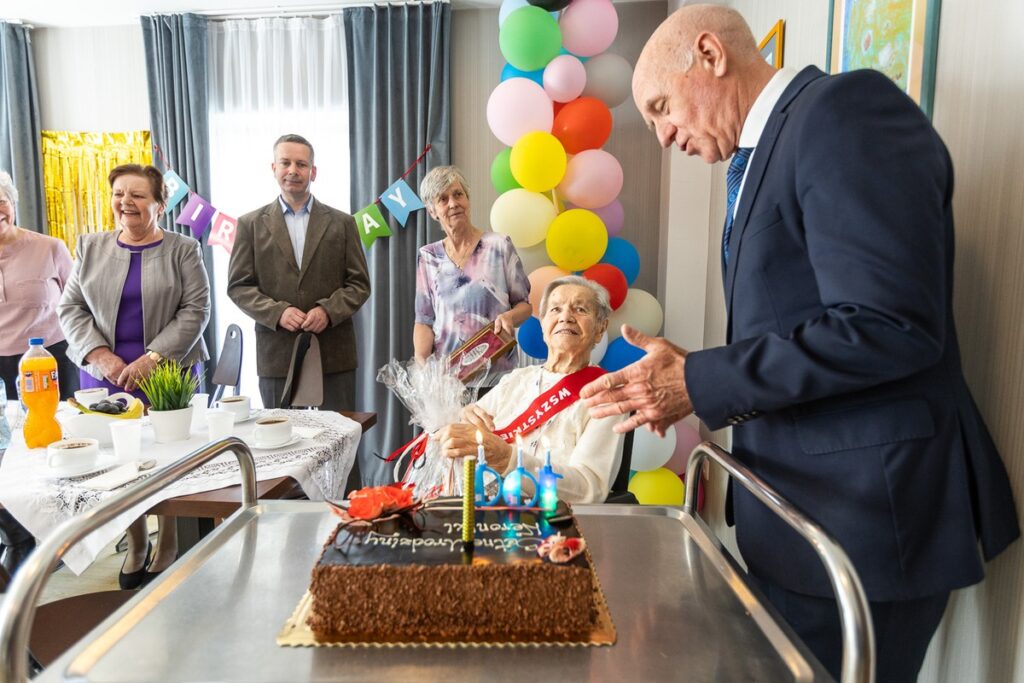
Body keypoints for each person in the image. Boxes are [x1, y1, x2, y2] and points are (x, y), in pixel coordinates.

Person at [581, 6, 1020, 681]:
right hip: (807, 520)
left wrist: (704, 380)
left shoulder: (843, 113)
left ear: (709, 54)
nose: (665, 135)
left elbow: (888, 322)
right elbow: (797, 320)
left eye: (663, 107)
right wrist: (692, 375)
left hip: (866, 523)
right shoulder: (767, 156)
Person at [59, 163, 211, 588]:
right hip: (106, 375)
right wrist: (101, 355)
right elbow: (70, 309)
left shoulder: (184, 249)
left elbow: (196, 311)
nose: (126, 202)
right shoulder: (89, 247)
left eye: (138, 195)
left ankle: (169, 544)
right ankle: (137, 540)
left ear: (159, 204)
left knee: (164, 459)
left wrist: (153, 357)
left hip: (168, 373)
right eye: (118, 194)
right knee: (120, 461)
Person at [438, 276, 621, 504]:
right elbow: (464, 438)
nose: (565, 317)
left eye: (580, 309)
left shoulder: (606, 396)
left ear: (600, 328)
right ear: (543, 324)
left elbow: (588, 489)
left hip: (553, 521)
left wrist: (509, 460)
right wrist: (463, 421)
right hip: (484, 507)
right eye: (555, 309)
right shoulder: (516, 380)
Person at [228, 134, 370, 412]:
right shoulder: (250, 225)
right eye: (286, 163)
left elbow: (359, 284)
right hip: (276, 355)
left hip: (334, 354)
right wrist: (277, 312)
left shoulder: (343, 223)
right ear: (274, 169)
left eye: (301, 164)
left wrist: (328, 311)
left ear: (313, 172)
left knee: (343, 441)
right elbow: (238, 287)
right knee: (282, 445)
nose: (293, 170)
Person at [414, 166, 532, 389]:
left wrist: (508, 318)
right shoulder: (428, 256)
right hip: (449, 383)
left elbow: (524, 306)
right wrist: (422, 368)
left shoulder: (499, 246)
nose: (453, 203)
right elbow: (424, 320)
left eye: (458, 194)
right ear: (432, 211)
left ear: (467, 200)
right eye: (443, 199)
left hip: (498, 377)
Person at [0, 170, 78, 401]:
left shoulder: (50, 248)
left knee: (60, 431)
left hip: (50, 360)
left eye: (1, 202)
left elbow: (79, 305)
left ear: (12, 203)